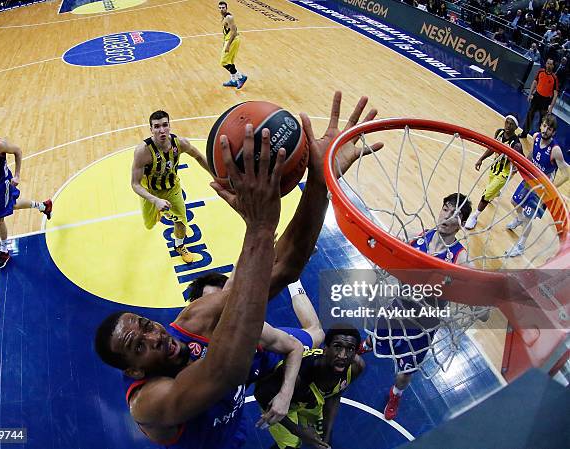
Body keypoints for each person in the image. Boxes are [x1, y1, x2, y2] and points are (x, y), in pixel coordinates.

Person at [97, 92, 384, 448]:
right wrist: (260, 227)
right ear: (134, 371)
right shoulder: (149, 402)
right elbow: (224, 370)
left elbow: (283, 265)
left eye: (145, 325)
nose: (154, 336)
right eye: (139, 346)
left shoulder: (194, 321)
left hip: (235, 435)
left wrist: (318, 182)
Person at [377, 193, 473, 420]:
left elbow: (479, 295)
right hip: (398, 308)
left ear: (461, 224)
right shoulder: (417, 235)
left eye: (457, 215)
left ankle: (395, 394)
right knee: (378, 336)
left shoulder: (460, 258)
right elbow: (386, 245)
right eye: (447, 209)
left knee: (404, 375)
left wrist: (486, 299)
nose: (448, 217)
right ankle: (370, 342)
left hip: (423, 326)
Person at [254, 325, 365, 449]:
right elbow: (261, 395)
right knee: (289, 446)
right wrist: (298, 432)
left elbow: (334, 396)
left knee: (321, 438)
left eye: (350, 349)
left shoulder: (355, 368)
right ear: (325, 349)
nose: (343, 355)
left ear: (355, 353)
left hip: (310, 403)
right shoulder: (299, 373)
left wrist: (326, 437)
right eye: (337, 347)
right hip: (279, 403)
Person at [0, 114, 52, 269]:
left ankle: (5, 249)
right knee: (12, 205)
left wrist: (18, 175)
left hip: (3, 184)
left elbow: (18, 151)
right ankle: (44, 206)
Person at [131, 110, 210, 264]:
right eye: (157, 126)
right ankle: (158, 213)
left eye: (165, 125)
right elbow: (135, 184)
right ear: (151, 129)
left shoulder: (180, 143)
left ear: (169, 126)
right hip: (151, 191)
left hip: (172, 188)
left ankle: (179, 246)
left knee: (181, 220)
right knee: (149, 224)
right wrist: (155, 200)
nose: (162, 130)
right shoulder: (142, 151)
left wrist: (217, 177)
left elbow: (199, 157)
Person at [506, 114, 569, 257]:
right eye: (544, 126)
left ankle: (521, 245)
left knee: (528, 217)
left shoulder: (555, 150)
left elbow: (567, 174)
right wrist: (521, 166)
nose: (546, 130)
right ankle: (519, 219)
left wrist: (552, 188)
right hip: (530, 180)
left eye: (550, 128)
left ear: (553, 132)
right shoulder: (535, 137)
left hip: (542, 189)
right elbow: (532, 155)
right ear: (541, 125)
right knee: (514, 201)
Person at [465, 115, 523, 230]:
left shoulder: (516, 144)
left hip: (504, 174)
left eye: (511, 124)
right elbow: (492, 148)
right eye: (507, 122)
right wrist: (481, 159)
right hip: (494, 168)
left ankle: (474, 216)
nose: (508, 125)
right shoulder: (499, 133)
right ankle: (495, 192)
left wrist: (516, 167)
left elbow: (522, 160)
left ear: (516, 127)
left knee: (486, 195)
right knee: (492, 191)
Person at [520, 58, 559, 138]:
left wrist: (551, 107)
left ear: (553, 66)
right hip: (537, 97)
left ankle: (539, 138)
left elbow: (555, 94)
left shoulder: (554, 78)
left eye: (551, 64)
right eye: (548, 63)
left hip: (545, 101)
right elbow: (535, 82)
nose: (549, 65)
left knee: (543, 121)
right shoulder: (540, 72)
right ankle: (524, 133)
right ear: (546, 64)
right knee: (530, 115)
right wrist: (530, 94)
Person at [219, 1, 248, 89]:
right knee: (229, 62)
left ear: (226, 8)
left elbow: (234, 32)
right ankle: (233, 81)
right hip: (229, 40)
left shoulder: (229, 17)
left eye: (223, 7)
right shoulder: (224, 17)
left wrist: (228, 45)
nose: (221, 9)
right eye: (220, 8)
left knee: (223, 62)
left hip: (233, 40)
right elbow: (226, 31)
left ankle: (241, 77)